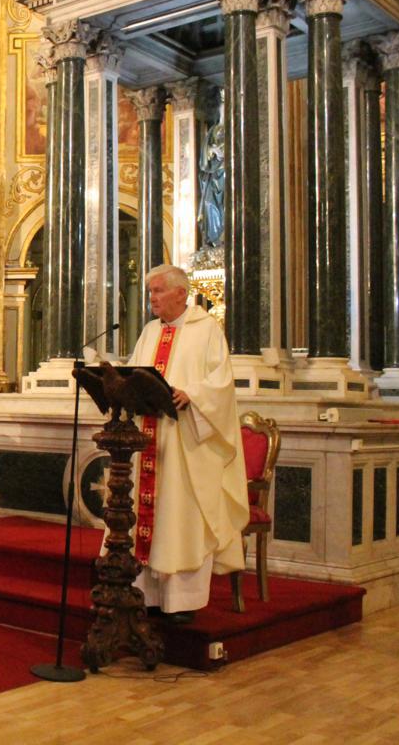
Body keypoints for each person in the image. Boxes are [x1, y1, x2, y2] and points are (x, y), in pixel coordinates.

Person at [127, 264, 249, 624]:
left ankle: (182, 601)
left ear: (182, 292)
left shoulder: (206, 330)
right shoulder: (149, 332)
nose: (152, 298)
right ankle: (147, 596)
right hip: (148, 440)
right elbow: (135, 372)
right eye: (150, 292)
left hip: (187, 443)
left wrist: (191, 394)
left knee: (180, 521)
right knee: (149, 520)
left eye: (159, 291)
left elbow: (222, 383)